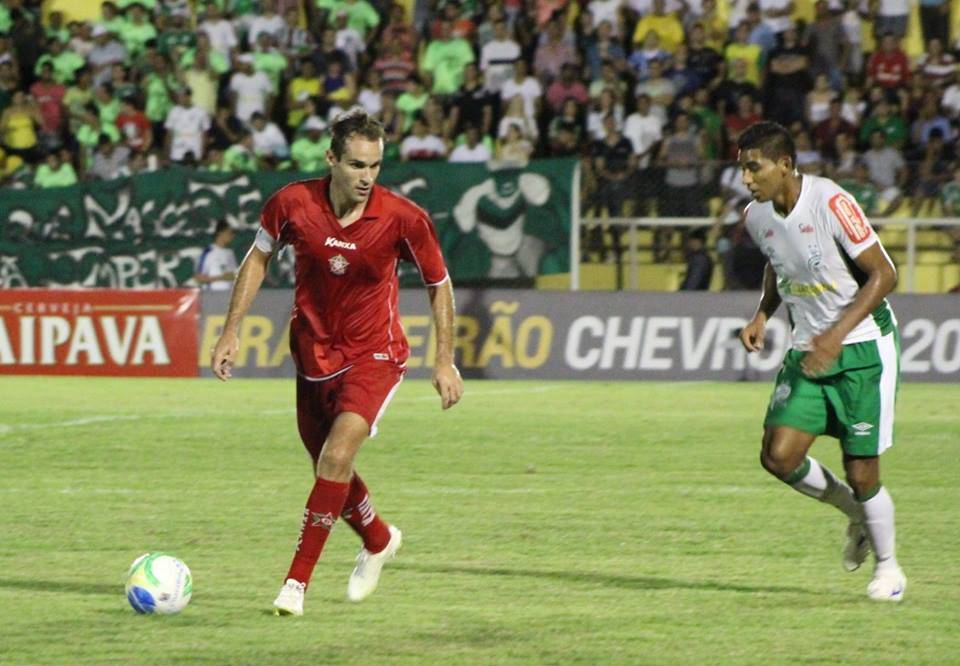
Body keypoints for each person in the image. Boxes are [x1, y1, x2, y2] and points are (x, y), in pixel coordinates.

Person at [210, 108, 464, 616]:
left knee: (335, 457)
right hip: (312, 354)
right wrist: (230, 329)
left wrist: (444, 360)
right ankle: (377, 538)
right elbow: (257, 257)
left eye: (375, 166)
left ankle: (295, 584)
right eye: (356, 165)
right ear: (331, 159)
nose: (367, 177)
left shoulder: (403, 217)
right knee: (329, 467)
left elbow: (439, 283)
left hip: (375, 354)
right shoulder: (292, 203)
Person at [736, 121, 906, 602]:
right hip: (810, 349)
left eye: (754, 167)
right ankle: (856, 514)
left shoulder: (831, 202)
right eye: (742, 169)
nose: (746, 179)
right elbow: (777, 260)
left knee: (862, 470)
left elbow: (884, 274)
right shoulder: (756, 216)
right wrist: (763, 313)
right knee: (778, 456)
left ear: (785, 164)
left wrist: (837, 334)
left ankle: (890, 569)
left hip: (864, 349)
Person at [194, 220, 238, 291]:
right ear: (220, 233)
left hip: (229, 295)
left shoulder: (230, 253)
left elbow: (234, 276)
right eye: (230, 233)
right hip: (213, 294)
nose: (232, 236)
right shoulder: (208, 252)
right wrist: (221, 278)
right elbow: (199, 278)